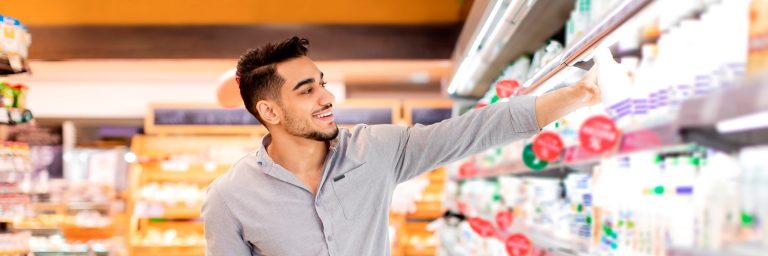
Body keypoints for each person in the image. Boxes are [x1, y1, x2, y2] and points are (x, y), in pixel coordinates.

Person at [202, 36, 600, 255]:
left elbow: (474, 130)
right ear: (269, 111)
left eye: (322, 83)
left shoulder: (375, 150)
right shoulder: (230, 197)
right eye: (307, 91)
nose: (327, 98)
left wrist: (579, 93)